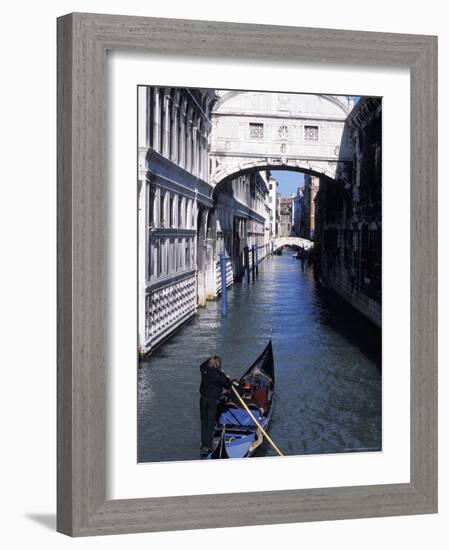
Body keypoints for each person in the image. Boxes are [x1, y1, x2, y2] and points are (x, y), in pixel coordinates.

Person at [199, 355, 238, 455]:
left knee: (204, 423)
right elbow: (228, 385)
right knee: (210, 423)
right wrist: (228, 378)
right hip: (212, 402)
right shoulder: (219, 374)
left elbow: (202, 364)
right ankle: (208, 447)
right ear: (219, 364)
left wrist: (212, 358)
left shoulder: (204, 370)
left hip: (203, 400)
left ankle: (204, 445)